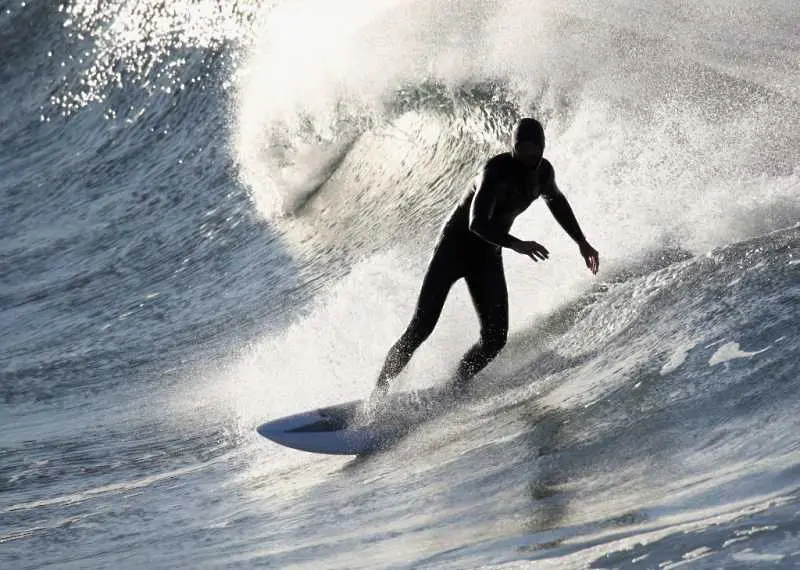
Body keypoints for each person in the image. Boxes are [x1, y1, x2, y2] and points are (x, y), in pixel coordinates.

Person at [372, 117, 599, 400]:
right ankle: (378, 394)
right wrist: (517, 244)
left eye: (534, 150)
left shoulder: (543, 173)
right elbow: (476, 223)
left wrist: (582, 242)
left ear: (542, 148)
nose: (528, 156)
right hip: (452, 250)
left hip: (486, 257)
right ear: (512, 147)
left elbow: (556, 200)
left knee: (494, 340)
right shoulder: (494, 172)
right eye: (522, 149)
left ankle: (454, 388)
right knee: (420, 328)